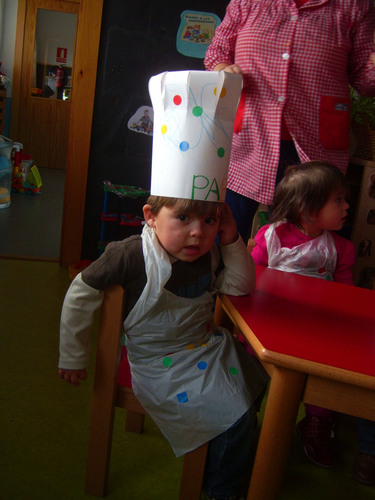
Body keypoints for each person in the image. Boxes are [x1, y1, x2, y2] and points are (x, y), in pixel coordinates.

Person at [59, 70, 269, 500]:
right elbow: (81, 291)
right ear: (150, 216)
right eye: (183, 219)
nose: (197, 232)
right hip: (159, 367)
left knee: (260, 382)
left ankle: (227, 452)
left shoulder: (212, 249)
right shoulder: (131, 254)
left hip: (205, 349)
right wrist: (74, 353)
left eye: (209, 219)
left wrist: (230, 240)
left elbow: (241, 288)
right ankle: (221, 490)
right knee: (238, 417)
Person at [204, 0, 375, 242]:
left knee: (300, 241)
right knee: (227, 227)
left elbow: (365, 80)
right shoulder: (247, 3)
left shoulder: (353, 6)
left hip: (315, 144)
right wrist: (223, 69)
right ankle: (222, 278)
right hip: (249, 139)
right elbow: (217, 50)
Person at [250, 160, 375, 485]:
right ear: (306, 209)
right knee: (250, 374)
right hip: (271, 326)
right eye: (338, 200)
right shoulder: (271, 237)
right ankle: (245, 420)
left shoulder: (340, 249)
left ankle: (317, 424)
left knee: (323, 372)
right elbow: (247, 279)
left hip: (316, 329)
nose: (347, 206)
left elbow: (345, 295)